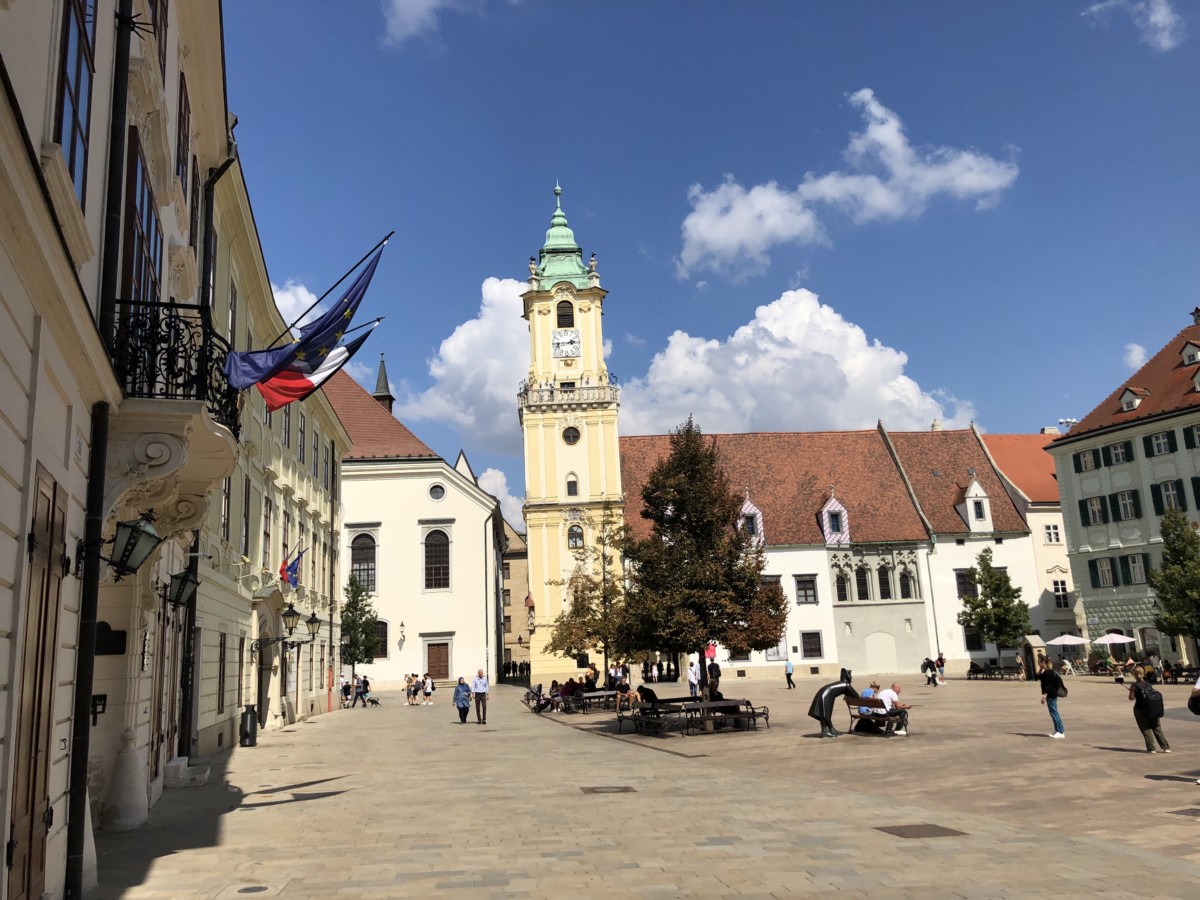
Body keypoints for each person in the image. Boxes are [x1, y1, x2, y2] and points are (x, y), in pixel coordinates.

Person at [1128, 671, 1169, 752]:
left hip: (1140, 709)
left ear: (1135, 675)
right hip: (1152, 708)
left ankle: (1151, 748)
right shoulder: (1148, 684)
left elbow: (1131, 698)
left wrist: (1131, 692)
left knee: (1146, 728)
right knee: (1157, 727)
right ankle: (1165, 747)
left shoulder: (1134, 685)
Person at [1037, 656, 1065, 739]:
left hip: (1051, 694)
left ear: (1043, 663)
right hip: (1052, 694)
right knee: (1054, 712)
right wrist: (1041, 668)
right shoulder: (1049, 672)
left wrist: (1044, 696)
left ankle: (1060, 731)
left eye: (1039, 662)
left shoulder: (1047, 673)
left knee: (1054, 713)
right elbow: (1037, 677)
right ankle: (1059, 730)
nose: (1038, 663)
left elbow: (1047, 686)